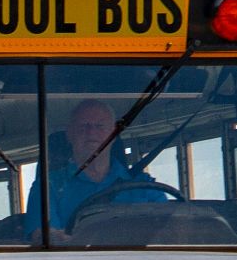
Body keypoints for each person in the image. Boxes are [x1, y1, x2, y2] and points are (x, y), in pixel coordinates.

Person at [25, 99, 170, 237]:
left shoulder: (146, 187)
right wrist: (55, 238)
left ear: (114, 134)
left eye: (100, 126)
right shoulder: (46, 188)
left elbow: (169, 232)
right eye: (83, 126)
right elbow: (45, 239)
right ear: (69, 134)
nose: (91, 132)